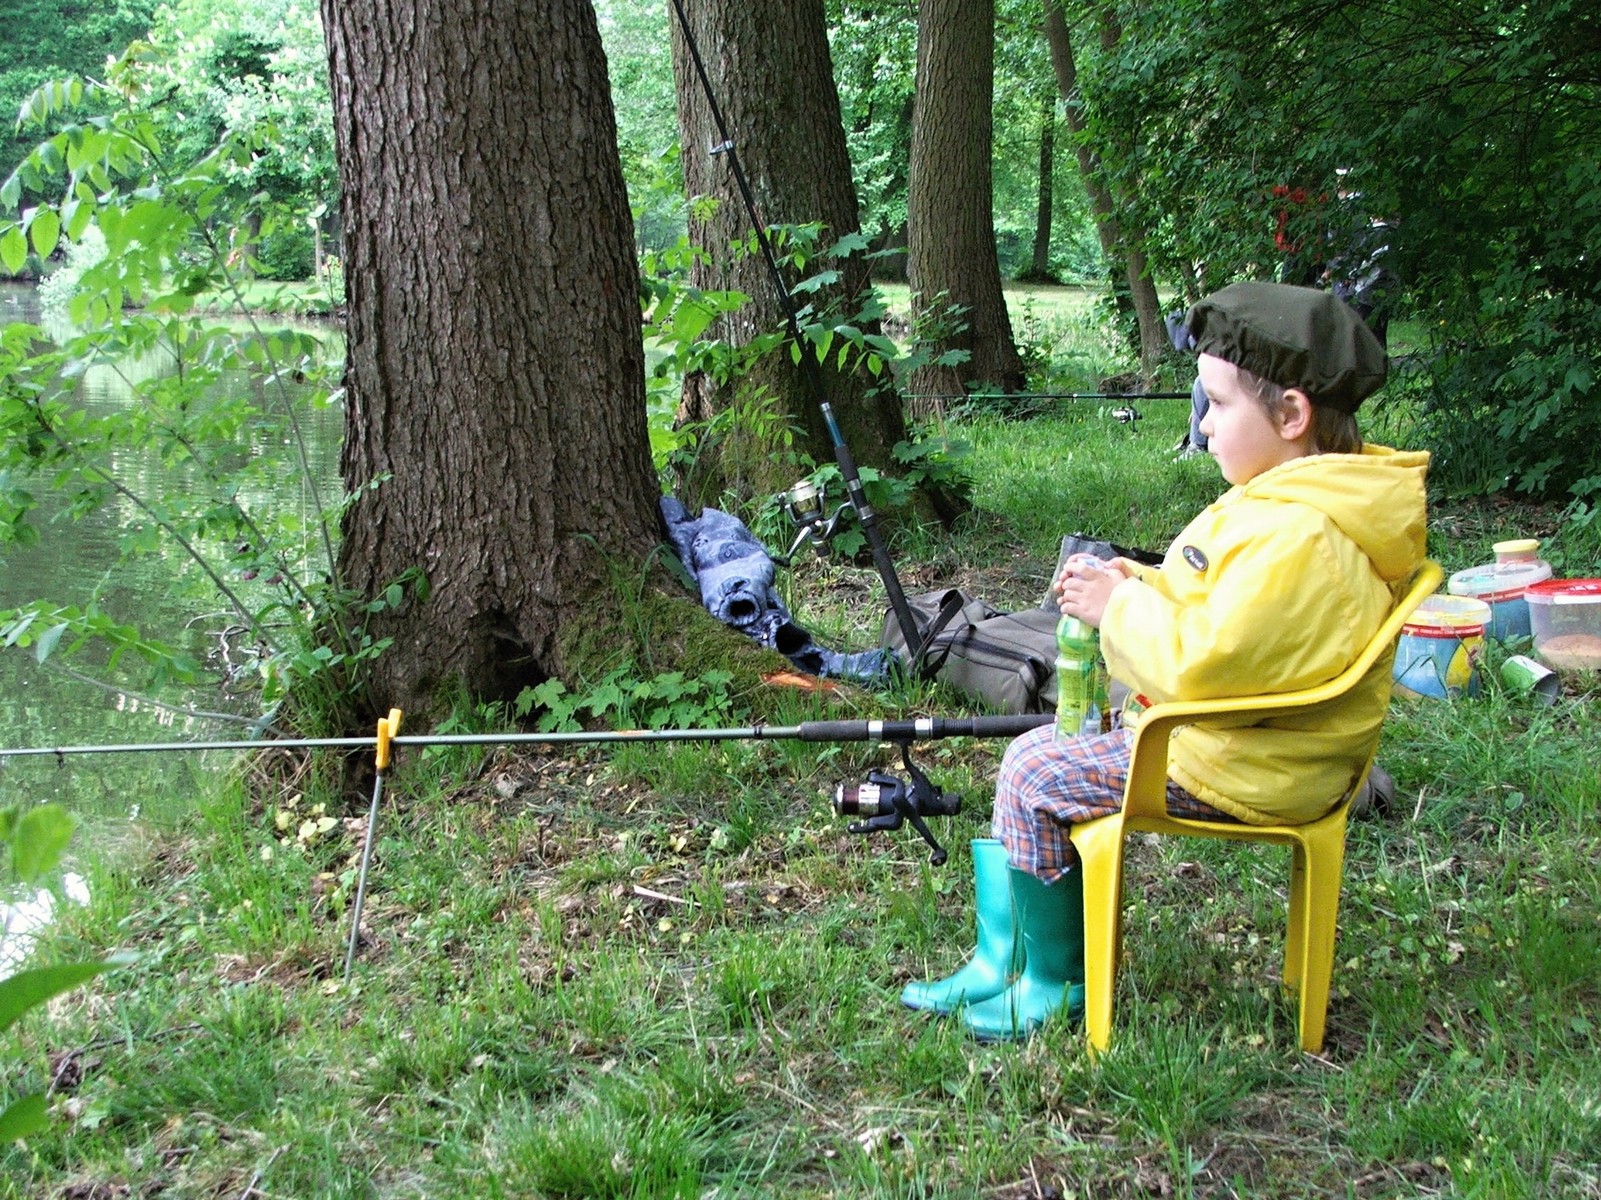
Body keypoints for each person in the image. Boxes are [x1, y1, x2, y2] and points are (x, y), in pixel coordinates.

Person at [900, 282, 1429, 1040]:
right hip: (1243, 745)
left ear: (1290, 415)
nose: (1203, 424)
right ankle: (1002, 958)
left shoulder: (1301, 537)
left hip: (1241, 766)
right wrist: (1138, 581)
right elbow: (1221, 607)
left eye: (1216, 404)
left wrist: (1117, 608)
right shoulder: (1296, 500)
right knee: (1041, 753)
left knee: (1032, 771)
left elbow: (1206, 664)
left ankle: (1051, 980)